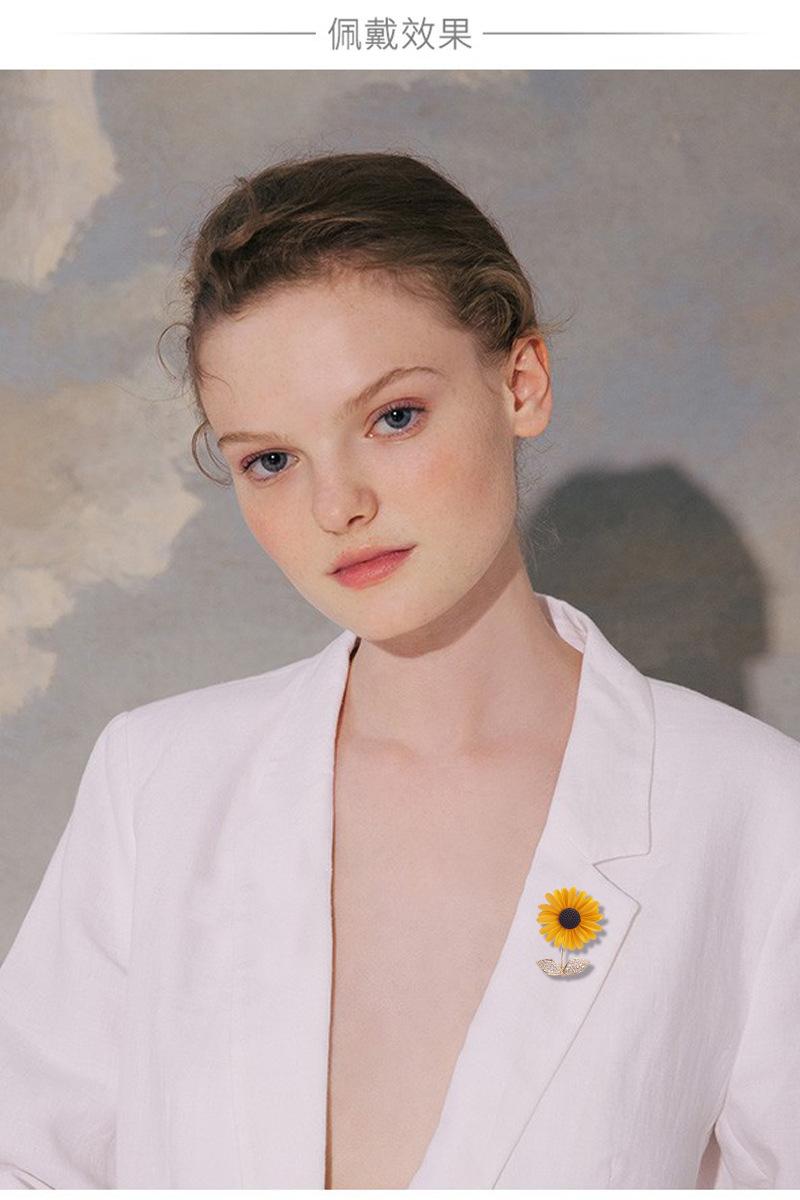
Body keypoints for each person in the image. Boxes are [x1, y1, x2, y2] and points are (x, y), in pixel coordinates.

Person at [1, 150, 798, 1190]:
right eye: (270, 460)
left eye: (393, 417)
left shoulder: (750, 809)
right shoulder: (157, 783)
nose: (338, 505)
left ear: (520, 383)